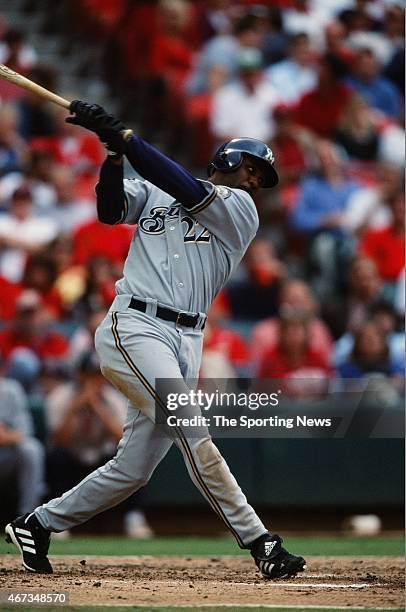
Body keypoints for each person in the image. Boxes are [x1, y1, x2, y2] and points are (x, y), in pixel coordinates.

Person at [5, 100, 306, 580]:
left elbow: (182, 185)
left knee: (133, 470)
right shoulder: (156, 192)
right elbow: (108, 210)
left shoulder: (239, 209)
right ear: (227, 159)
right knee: (194, 433)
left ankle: (37, 524)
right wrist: (114, 153)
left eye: (259, 175)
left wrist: (124, 137)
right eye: (250, 168)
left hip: (187, 340)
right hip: (136, 326)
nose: (253, 180)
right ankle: (261, 542)